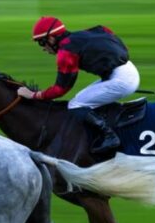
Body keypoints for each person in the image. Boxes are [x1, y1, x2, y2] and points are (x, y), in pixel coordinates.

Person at [17, 16, 140, 154]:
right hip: (125, 70)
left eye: (41, 43)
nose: (43, 49)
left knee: (76, 104)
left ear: (51, 38)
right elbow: (104, 29)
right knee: (85, 98)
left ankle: (109, 136)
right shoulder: (81, 34)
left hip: (121, 78)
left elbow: (61, 89)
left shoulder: (66, 52)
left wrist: (34, 95)